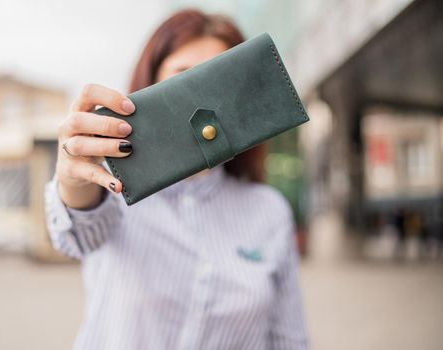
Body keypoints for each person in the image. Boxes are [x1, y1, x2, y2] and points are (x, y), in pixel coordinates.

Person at [45, 9, 309, 350]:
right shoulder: (112, 190)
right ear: (149, 86)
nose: (201, 99)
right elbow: (77, 235)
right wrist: (74, 181)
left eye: (217, 80)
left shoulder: (269, 211)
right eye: (183, 77)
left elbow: (289, 339)